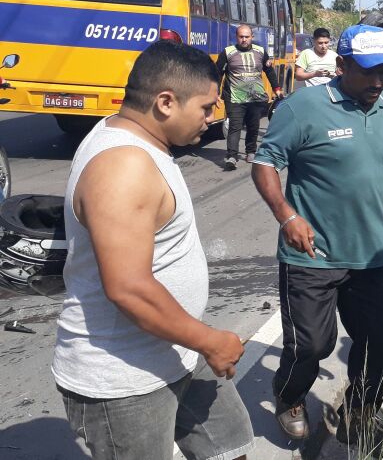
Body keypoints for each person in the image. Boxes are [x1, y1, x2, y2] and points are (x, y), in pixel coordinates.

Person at [53, 41, 252, 460]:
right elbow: (128, 287)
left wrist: (196, 341)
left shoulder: (140, 141)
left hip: (173, 347)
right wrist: (210, 342)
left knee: (231, 446)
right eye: (205, 107)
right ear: (165, 102)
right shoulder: (123, 164)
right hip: (124, 378)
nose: (212, 118)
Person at [251, 24, 383, 443]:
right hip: (312, 254)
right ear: (342, 64)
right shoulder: (304, 107)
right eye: (367, 71)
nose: (377, 80)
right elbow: (265, 163)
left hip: (370, 256)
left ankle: (361, 407)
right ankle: (289, 393)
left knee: (381, 345)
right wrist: (286, 216)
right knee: (312, 345)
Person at [215, 24, 282, 170]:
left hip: (255, 97)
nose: (244, 40)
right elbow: (218, 73)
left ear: (252, 37)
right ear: (236, 37)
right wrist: (215, 93)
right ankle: (232, 156)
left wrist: (277, 89)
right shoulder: (228, 52)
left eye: (247, 37)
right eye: (241, 37)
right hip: (234, 97)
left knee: (253, 126)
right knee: (235, 126)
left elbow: (269, 71)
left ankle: (250, 151)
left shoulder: (260, 52)